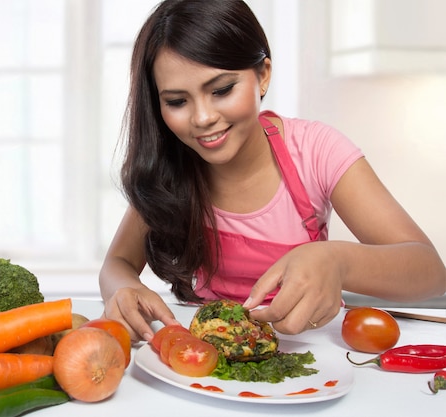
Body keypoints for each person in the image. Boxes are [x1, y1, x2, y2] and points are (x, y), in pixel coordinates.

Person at [99, 0, 446, 342]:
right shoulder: (170, 165)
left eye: (221, 90)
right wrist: (125, 288)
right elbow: (117, 262)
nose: (202, 118)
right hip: (209, 350)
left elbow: (429, 272)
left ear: (262, 75)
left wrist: (339, 260)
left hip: (313, 348)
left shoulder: (315, 151)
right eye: (177, 101)